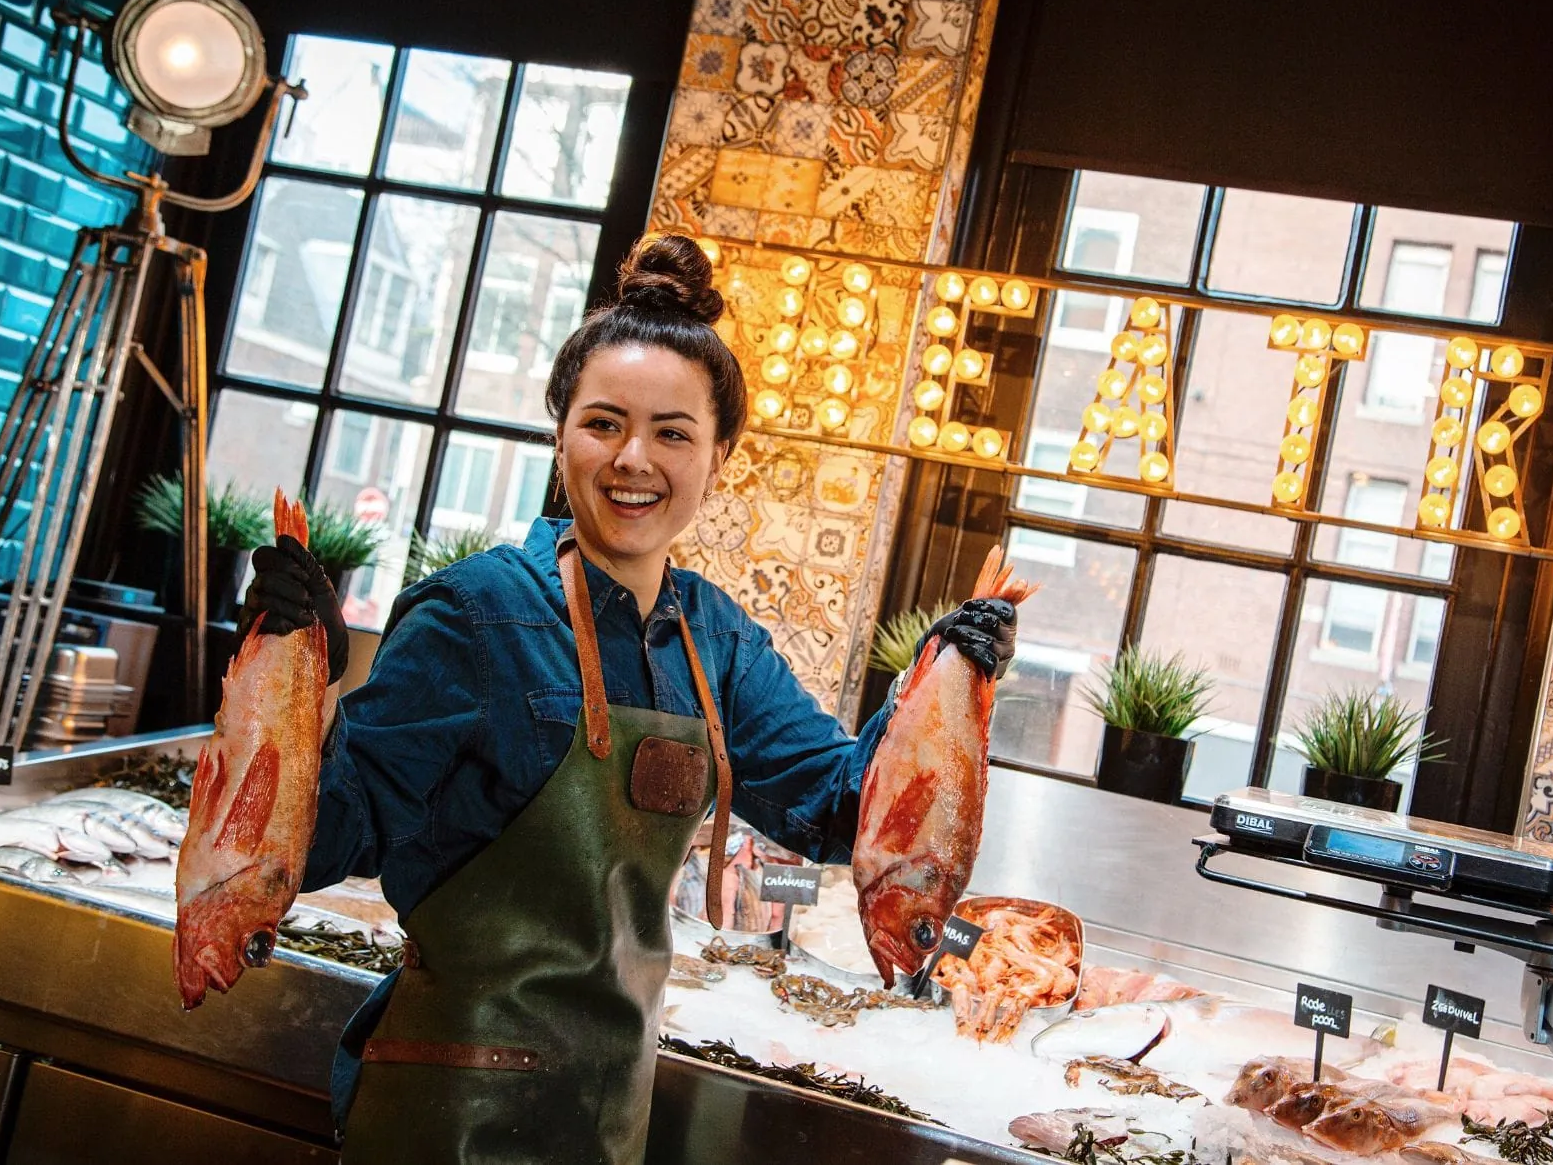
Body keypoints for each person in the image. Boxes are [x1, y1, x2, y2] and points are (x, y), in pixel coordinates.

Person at [236, 234, 1019, 1164]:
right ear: (559, 432)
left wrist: (945, 679)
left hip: (606, 1115)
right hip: (446, 1110)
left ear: (719, 456)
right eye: (603, 423)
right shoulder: (475, 616)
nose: (633, 459)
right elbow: (329, 837)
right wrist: (295, 677)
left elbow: (839, 807)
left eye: (673, 432)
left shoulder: (716, 642)